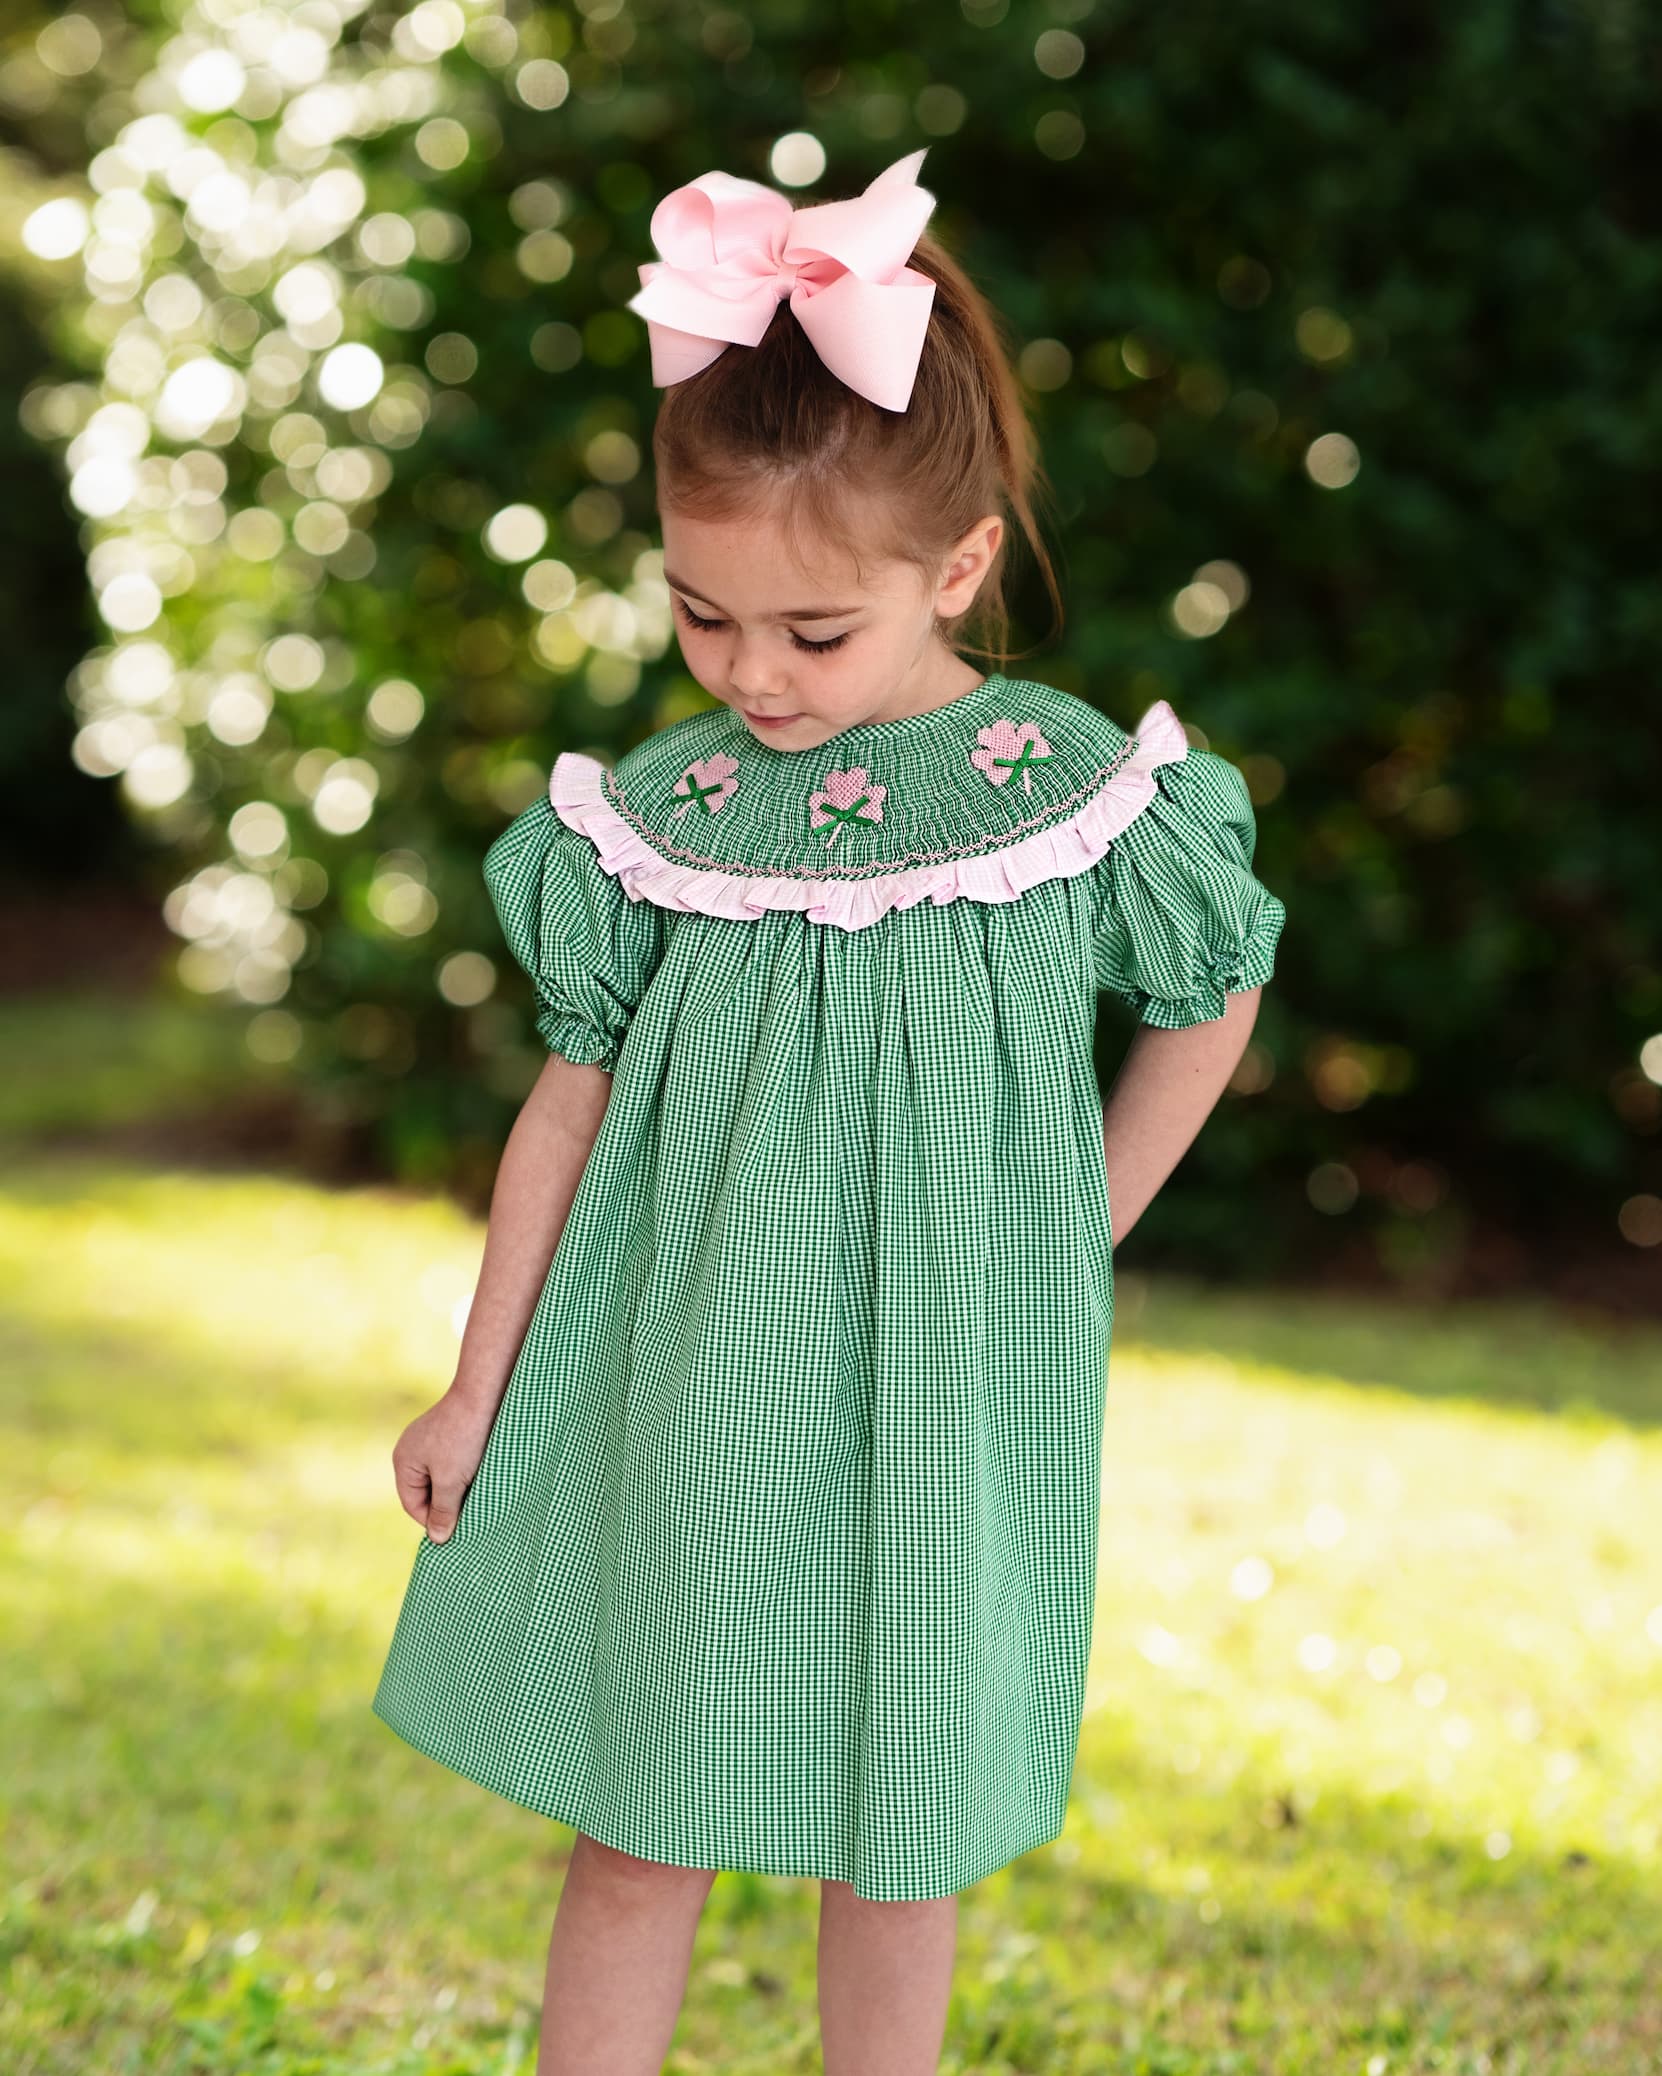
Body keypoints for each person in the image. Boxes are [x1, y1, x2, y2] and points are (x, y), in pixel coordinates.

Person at [372, 147, 1287, 2075]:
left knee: (904, 1824)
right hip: (686, 1371)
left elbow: (1212, 999)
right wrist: (478, 1381)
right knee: (644, 1813)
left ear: (953, 568)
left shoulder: (1065, 794)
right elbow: (564, 1108)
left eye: (811, 635)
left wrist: (1074, 1220)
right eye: (706, 619)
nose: (751, 679)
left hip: (952, 1378)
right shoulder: (662, 819)